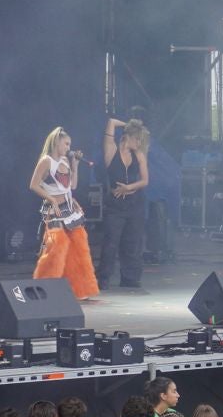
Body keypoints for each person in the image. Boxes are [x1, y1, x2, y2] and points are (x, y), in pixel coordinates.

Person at [30, 127, 100, 301]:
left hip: (69, 208)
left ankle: (78, 288)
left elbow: (72, 186)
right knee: (57, 246)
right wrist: (52, 200)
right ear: (57, 142)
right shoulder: (46, 161)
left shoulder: (65, 161)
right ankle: (45, 289)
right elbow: (33, 185)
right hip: (55, 209)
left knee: (78, 244)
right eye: (66, 143)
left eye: (70, 144)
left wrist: (75, 166)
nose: (69, 147)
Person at [97, 114, 151, 294]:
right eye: (138, 139)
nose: (140, 144)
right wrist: (129, 125)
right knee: (111, 242)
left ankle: (130, 278)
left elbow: (144, 180)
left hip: (134, 203)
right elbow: (111, 122)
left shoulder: (139, 154)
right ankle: (103, 278)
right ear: (130, 137)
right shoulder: (111, 150)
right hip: (115, 204)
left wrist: (129, 187)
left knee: (133, 241)